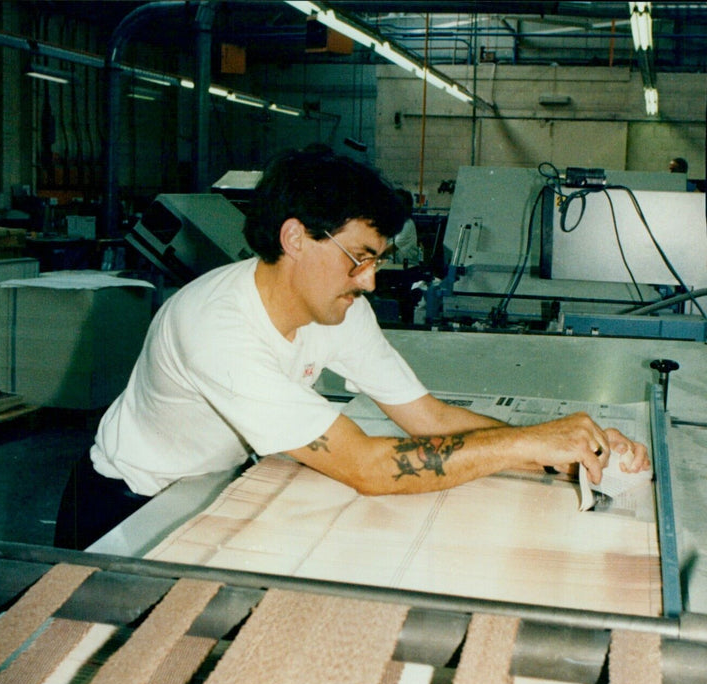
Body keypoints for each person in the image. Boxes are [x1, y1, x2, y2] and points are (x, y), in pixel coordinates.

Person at [55, 144, 649, 550]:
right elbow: (370, 467)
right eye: (359, 256)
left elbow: (427, 417)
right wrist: (528, 442)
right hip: (130, 508)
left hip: (214, 484)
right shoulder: (216, 330)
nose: (368, 280)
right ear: (295, 237)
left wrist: (563, 451)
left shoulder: (339, 309)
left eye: (376, 261)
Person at [392, 189, 423, 266]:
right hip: (395, 266)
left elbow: (391, 248)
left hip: (408, 269)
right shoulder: (394, 224)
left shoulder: (408, 224)